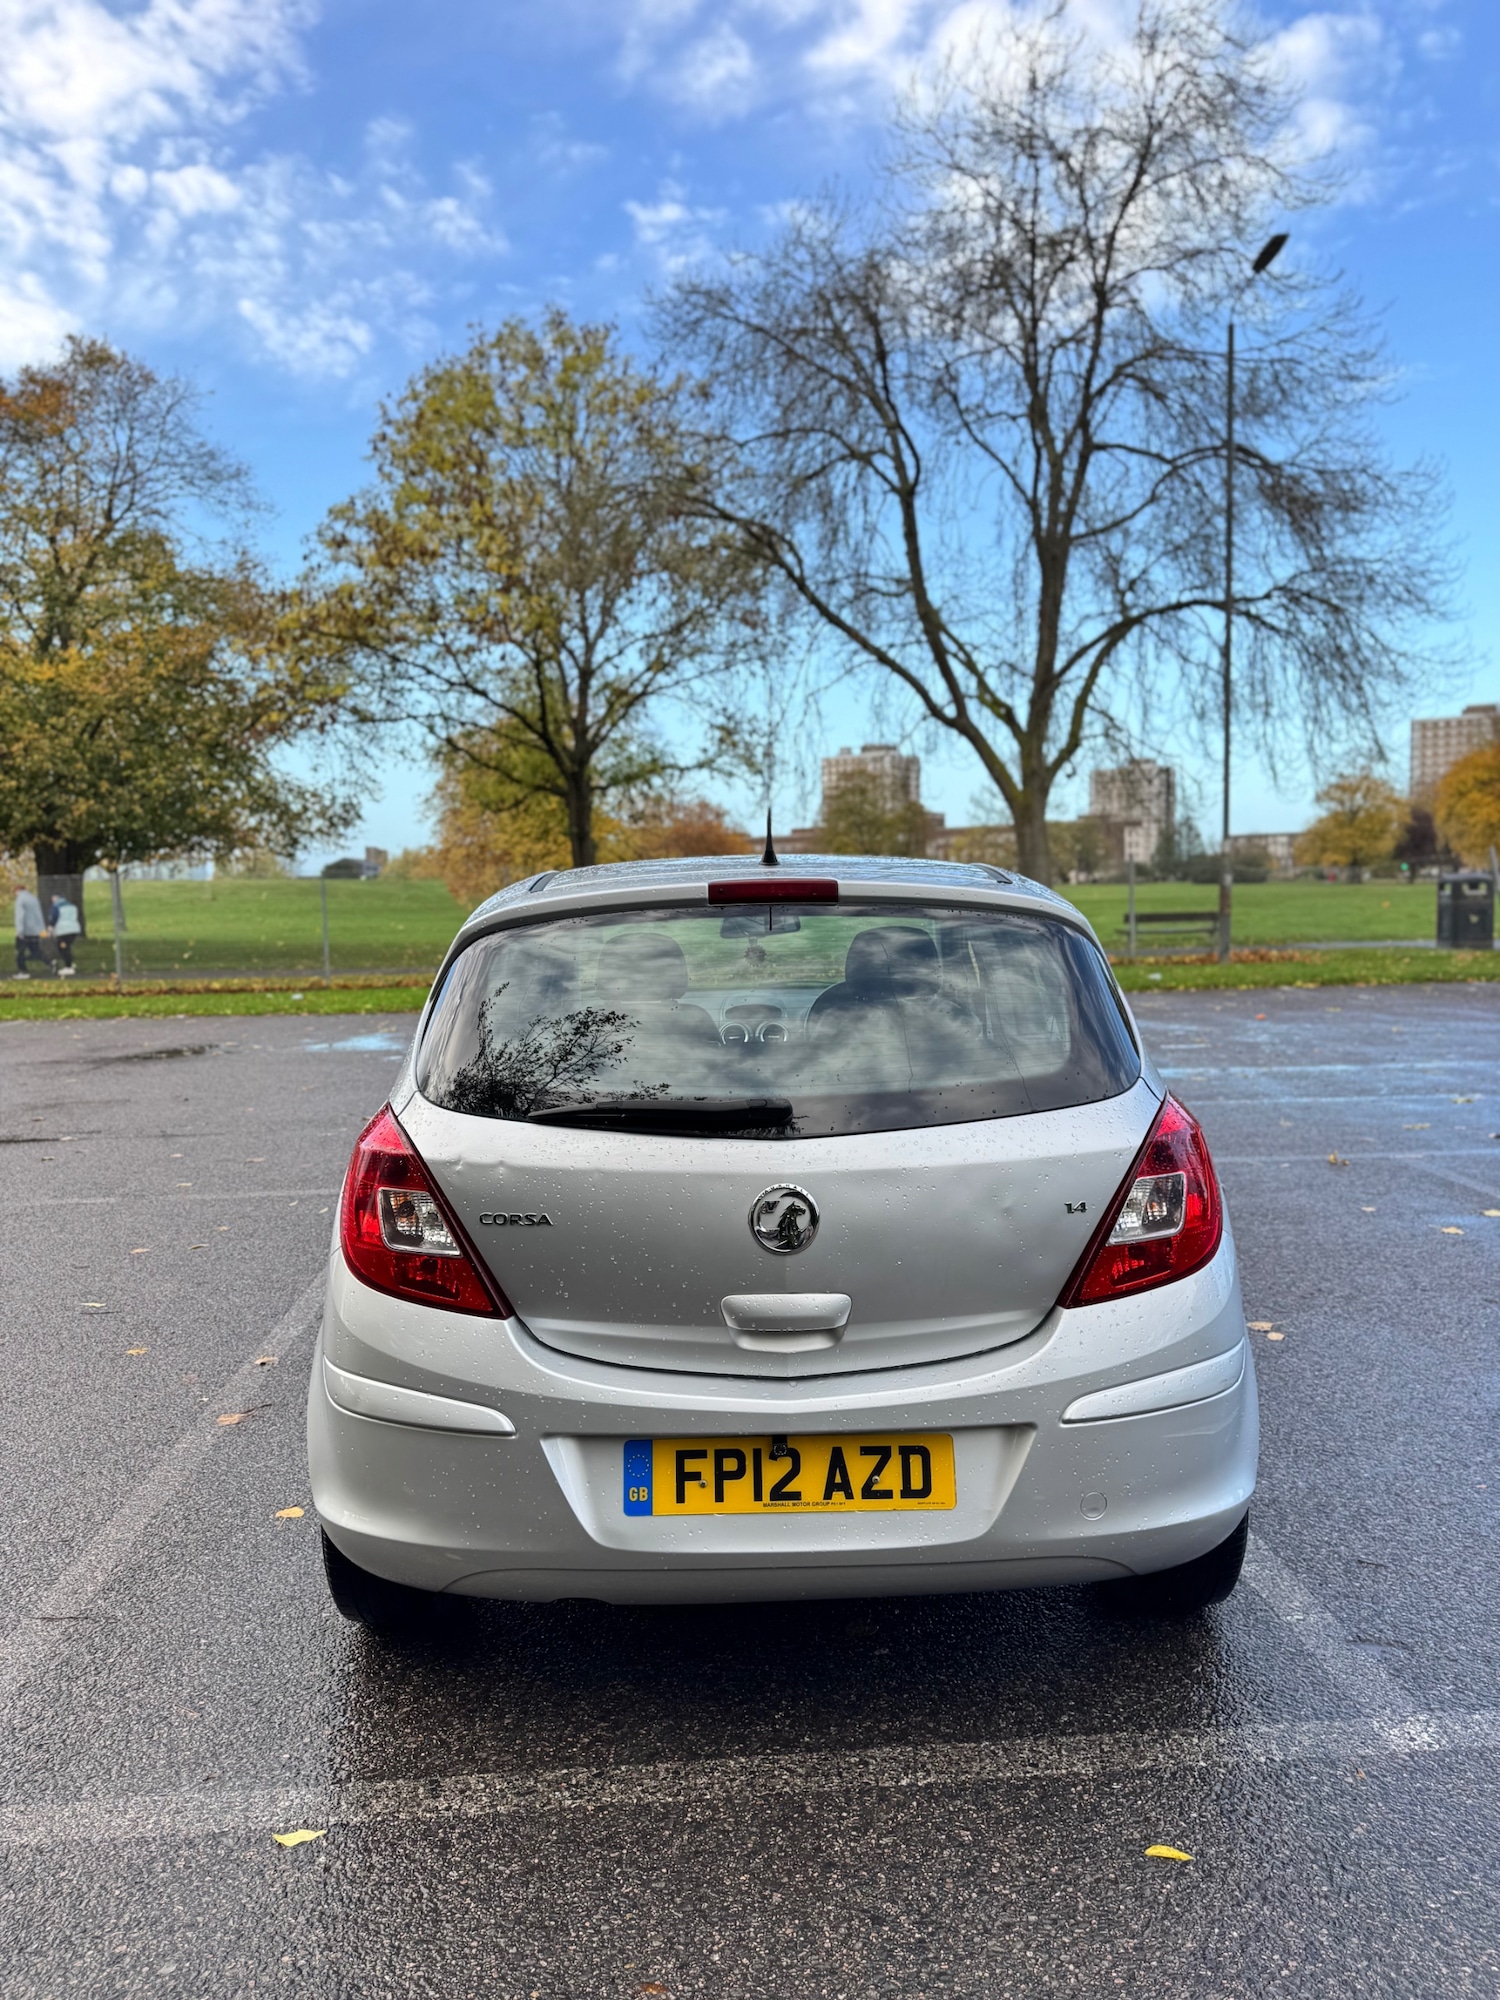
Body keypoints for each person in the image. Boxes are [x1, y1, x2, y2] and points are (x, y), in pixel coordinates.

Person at [13, 886, 46, 977]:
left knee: (20, 952)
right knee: (35, 950)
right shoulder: (34, 899)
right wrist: (42, 930)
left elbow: (20, 916)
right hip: (35, 930)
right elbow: (39, 915)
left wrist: (19, 931)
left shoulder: (20, 899)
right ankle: (50, 963)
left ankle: (23, 971)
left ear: (17, 891)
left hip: (25, 931)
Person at [47, 893, 81, 975]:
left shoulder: (56, 907)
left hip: (63, 931)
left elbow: (53, 918)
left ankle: (68, 967)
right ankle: (69, 963)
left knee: (63, 948)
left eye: (53, 898)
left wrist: (50, 929)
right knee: (66, 947)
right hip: (74, 930)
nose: (52, 900)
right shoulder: (72, 906)